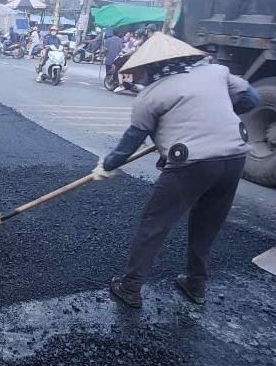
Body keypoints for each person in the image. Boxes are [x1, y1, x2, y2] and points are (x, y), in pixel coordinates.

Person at [95, 33, 260, 309]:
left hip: (193, 164)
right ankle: (196, 284)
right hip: (234, 158)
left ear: (152, 66)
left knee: (154, 223)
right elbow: (252, 99)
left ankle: (131, 286)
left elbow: (129, 144)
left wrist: (106, 166)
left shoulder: (151, 95)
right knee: (207, 223)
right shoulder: (216, 73)